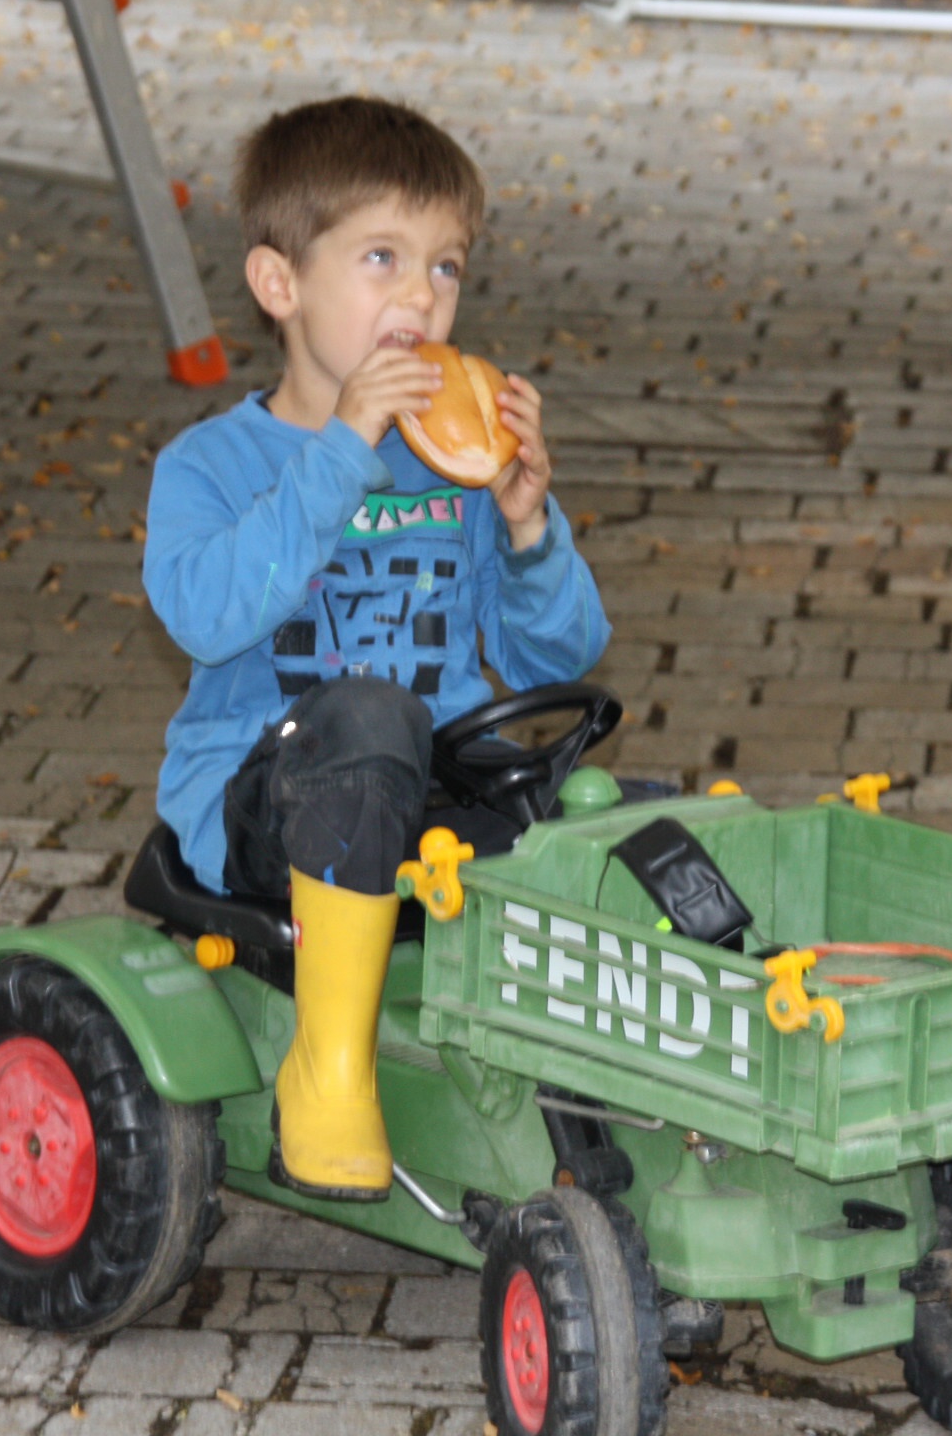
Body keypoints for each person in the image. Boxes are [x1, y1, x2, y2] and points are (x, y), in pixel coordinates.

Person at [142, 97, 611, 1203]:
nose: (422, 297)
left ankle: (611, 1095)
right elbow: (207, 615)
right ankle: (327, 1073)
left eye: (446, 267)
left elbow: (556, 658)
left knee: (609, 822)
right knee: (367, 711)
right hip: (270, 802)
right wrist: (345, 447)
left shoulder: (451, 462)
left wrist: (528, 527)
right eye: (383, 259)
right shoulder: (209, 466)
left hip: (426, 793)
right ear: (280, 284)